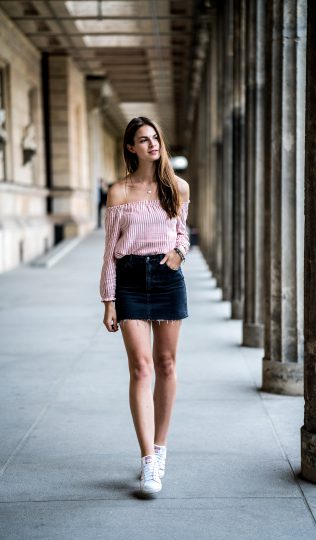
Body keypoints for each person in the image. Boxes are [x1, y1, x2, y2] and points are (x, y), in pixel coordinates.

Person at [99, 117, 190, 496]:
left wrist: (177, 254)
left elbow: (182, 232)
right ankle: (147, 462)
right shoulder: (118, 193)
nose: (152, 144)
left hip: (167, 277)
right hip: (131, 279)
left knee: (167, 364)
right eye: (143, 139)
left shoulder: (177, 187)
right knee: (141, 367)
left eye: (155, 137)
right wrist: (108, 299)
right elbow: (108, 254)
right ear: (130, 148)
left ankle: (160, 446)